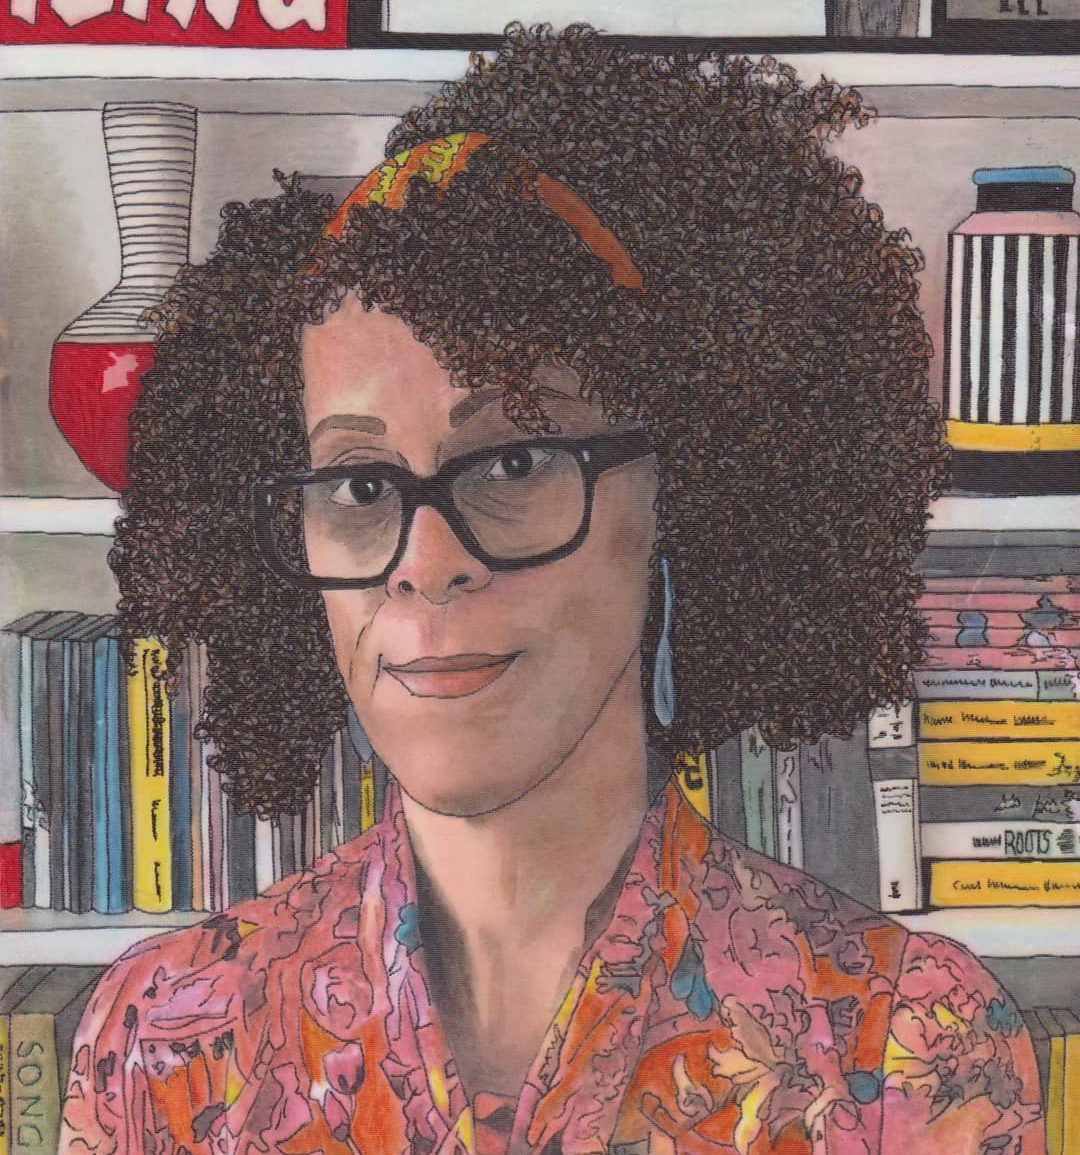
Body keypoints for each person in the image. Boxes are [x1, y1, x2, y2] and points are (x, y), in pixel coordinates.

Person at [59, 25, 1045, 1155]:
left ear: (689, 491)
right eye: (358, 484)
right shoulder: (166, 1043)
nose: (425, 560)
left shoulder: (907, 1039)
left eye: (515, 462)